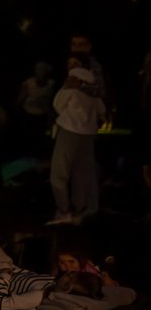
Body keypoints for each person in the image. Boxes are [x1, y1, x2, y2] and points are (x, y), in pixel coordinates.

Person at [47, 66, 105, 225]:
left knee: (59, 173)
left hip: (69, 131)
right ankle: (78, 211)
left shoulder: (70, 89)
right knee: (81, 174)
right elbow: (102, 110)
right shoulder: (93, 92)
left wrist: (66, 88)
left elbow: (57, 105)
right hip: (87, 135)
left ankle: (64, 211)